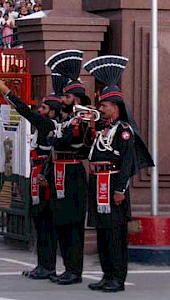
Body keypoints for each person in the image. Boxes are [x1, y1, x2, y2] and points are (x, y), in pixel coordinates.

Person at [83, 56, 154, 293]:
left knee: (115, 234)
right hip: (97, 184)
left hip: (112, 185)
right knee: (103, 232)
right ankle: (106, 274)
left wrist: (119, 189)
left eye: (104, 105)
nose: (100, 109)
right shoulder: (103, 129)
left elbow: (126, 163)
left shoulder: (124, 131)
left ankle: (117, 278)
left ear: (115, 106)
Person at [0, 74, 65, 279]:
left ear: (52, 111)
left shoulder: (48, 125)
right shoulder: (44, 125)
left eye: (43, 108)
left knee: (45, 224)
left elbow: (25, 111)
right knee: (40, 223)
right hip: (37, 174)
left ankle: (47, 266)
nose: (39, 111)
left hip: (44, 176)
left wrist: (6, 91)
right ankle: (43, 264)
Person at [44, 50, 92, 284]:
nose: (62, 100)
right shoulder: (66, 119)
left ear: (77, 98)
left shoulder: (83, 119)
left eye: (66, 97)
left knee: (73, 223)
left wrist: (56, 138)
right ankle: (67, 267)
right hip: (59, 171)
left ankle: (75, 270)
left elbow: (75, 141)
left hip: (72, 172)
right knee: (60, 221)